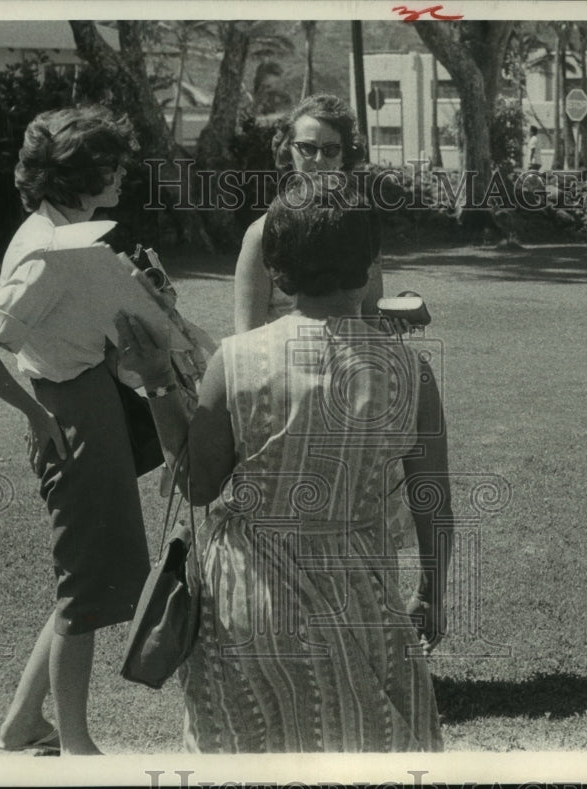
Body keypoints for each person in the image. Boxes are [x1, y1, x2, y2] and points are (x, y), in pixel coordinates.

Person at [117, 176, 450, 752]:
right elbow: (433, 501)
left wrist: (157, 383)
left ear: (277, 270)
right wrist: (433, 592)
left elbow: (197, 484)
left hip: (248, 599)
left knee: (251, 750)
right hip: (360, 594)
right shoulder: (410, 371)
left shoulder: (236, 360)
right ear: (371, 264)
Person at [0, 106, 152, 755]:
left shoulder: (64, 234)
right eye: (111, 165)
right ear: (79, 174)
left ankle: (22, 723)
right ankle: (75, 746)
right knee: (84, 592)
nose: (121, 174)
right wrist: (38, 416)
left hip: (90, 398)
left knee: (85, 578)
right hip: (70, 412)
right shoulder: (48, 250)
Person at [234, 93, 385, 333]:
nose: (318, 160)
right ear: (288, 150)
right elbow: (246, 336)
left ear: (345, 154)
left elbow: (372, 321)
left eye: (331, 149)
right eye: (306, 148)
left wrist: (395, 322)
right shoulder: (262, 235)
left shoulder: (360, 226)